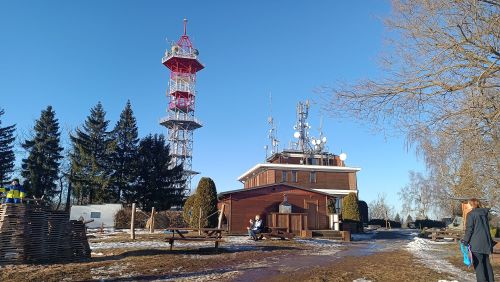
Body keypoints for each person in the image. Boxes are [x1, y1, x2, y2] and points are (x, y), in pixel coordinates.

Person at [462, 198, 495, 282]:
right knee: (487, 263)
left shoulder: (471, 214)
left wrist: (465, 241)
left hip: (476, 244)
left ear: (471, 204)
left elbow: (469, 229)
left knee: (479, 265)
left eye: (468, 204)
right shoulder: (484, 214)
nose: (467, 205)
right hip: (486, 243)